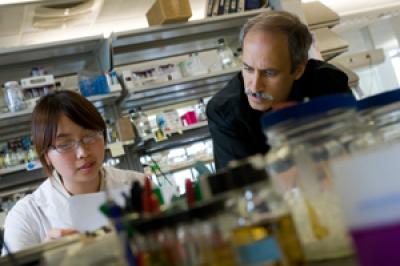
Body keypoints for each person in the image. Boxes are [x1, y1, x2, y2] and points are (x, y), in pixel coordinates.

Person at [2, 90, 145, 253]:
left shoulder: (140, 185)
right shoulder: (26, 216)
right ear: (46, 155)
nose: (82, 152)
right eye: (64, 144)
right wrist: (45, 258)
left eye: (90, 136)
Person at [206, 10, 352, 169]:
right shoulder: (225, 111)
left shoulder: (327, 84)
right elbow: (242, 185)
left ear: (298, 70)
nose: (254, 86)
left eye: (269, 73)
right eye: (248, 69)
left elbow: (353, 151)